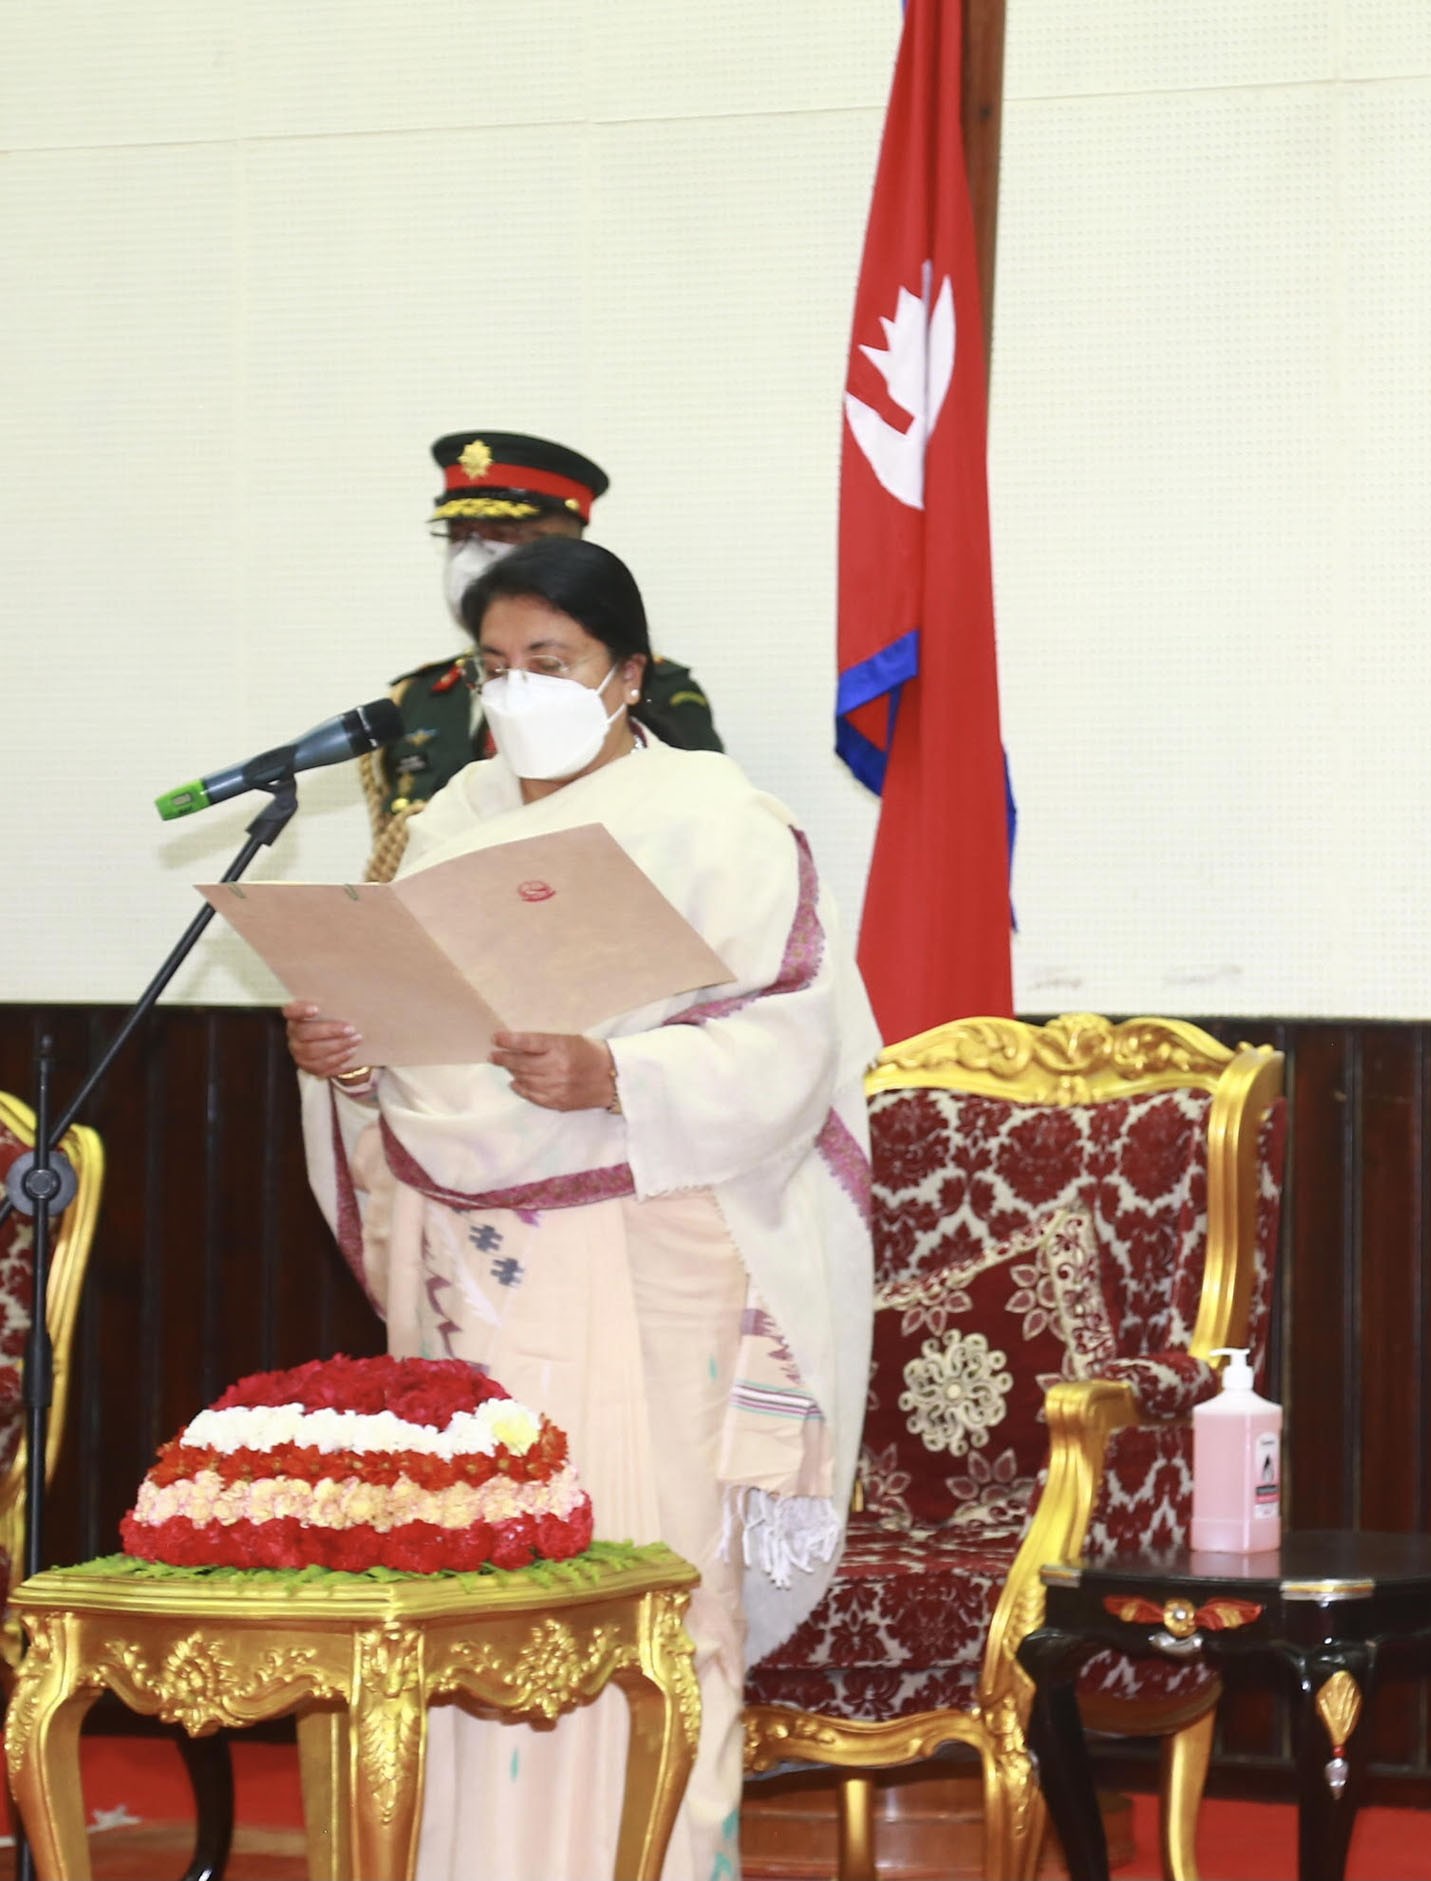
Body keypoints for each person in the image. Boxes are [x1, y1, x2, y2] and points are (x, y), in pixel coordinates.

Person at [288, 536, 875, 1881]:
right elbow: (419, 1047)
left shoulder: (723, 824)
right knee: (475, 1594)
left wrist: (619, 1071)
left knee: (645, 1590)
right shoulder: (450, 824)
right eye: (496, 669)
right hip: (479, 1277)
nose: (518, 694)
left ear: (629, 676)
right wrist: (356, 1060)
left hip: (657, 1246)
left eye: (549, 663)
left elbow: (790, 1052)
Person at [362, 433, 722, 882]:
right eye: (460, 536)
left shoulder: (669, 714)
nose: (474, 558)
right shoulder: (422, 708)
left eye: (502, 534)